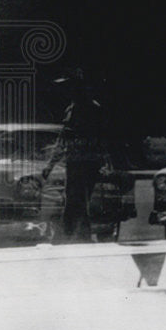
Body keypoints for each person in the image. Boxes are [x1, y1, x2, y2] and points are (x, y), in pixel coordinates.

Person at [42, 67, 107, 242]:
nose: (65, 91)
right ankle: (75, 236)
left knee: (75, 200)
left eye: (68, 87)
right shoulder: (73, 108)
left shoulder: (90, 109)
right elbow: (64, 138)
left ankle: (70, 236)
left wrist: (103, 161)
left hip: (85, 162)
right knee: (75, 200)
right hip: (77, 161)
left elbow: (99, 138)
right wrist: (51, 164)